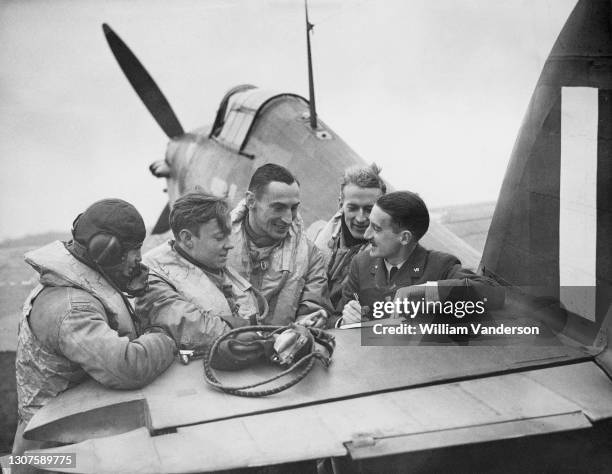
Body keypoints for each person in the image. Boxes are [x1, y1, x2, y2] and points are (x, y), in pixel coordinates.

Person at [13, 199, 176, 465]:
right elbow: (127, 366)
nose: (139, 258)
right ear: (108, 252)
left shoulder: (82, 283)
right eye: (135, 250)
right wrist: (165, 338)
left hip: (73, 429)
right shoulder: (72, 308)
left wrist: (128, 285)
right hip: (53, 452)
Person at [339, 191, 503, 325]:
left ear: (404, 238)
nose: (366, 234)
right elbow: (336, 317)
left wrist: (422, 291)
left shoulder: (440, 266)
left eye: (376, 228)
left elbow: (493, 293)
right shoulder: (360, 263)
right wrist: (345, 322)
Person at [136, 193, 266, 350]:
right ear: (187, 239)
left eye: (228, 236)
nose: (229, 245)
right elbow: (184, 324)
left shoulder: (207, 260)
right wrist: (248, 333)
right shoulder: (151, 277)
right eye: (219, 238)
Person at [227, 163, 332, 327]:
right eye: (279, 208)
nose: (288, 219)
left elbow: (312, 310)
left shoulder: (310, 256)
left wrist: (307, 324)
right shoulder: (215, 243)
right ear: (251, 201)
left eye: (294, 208)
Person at [308, 163, 385, 310]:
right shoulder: (314, 234)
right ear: (340, 204)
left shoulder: (385, 262)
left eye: (369, 209)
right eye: (353, 208)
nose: (361, 218)